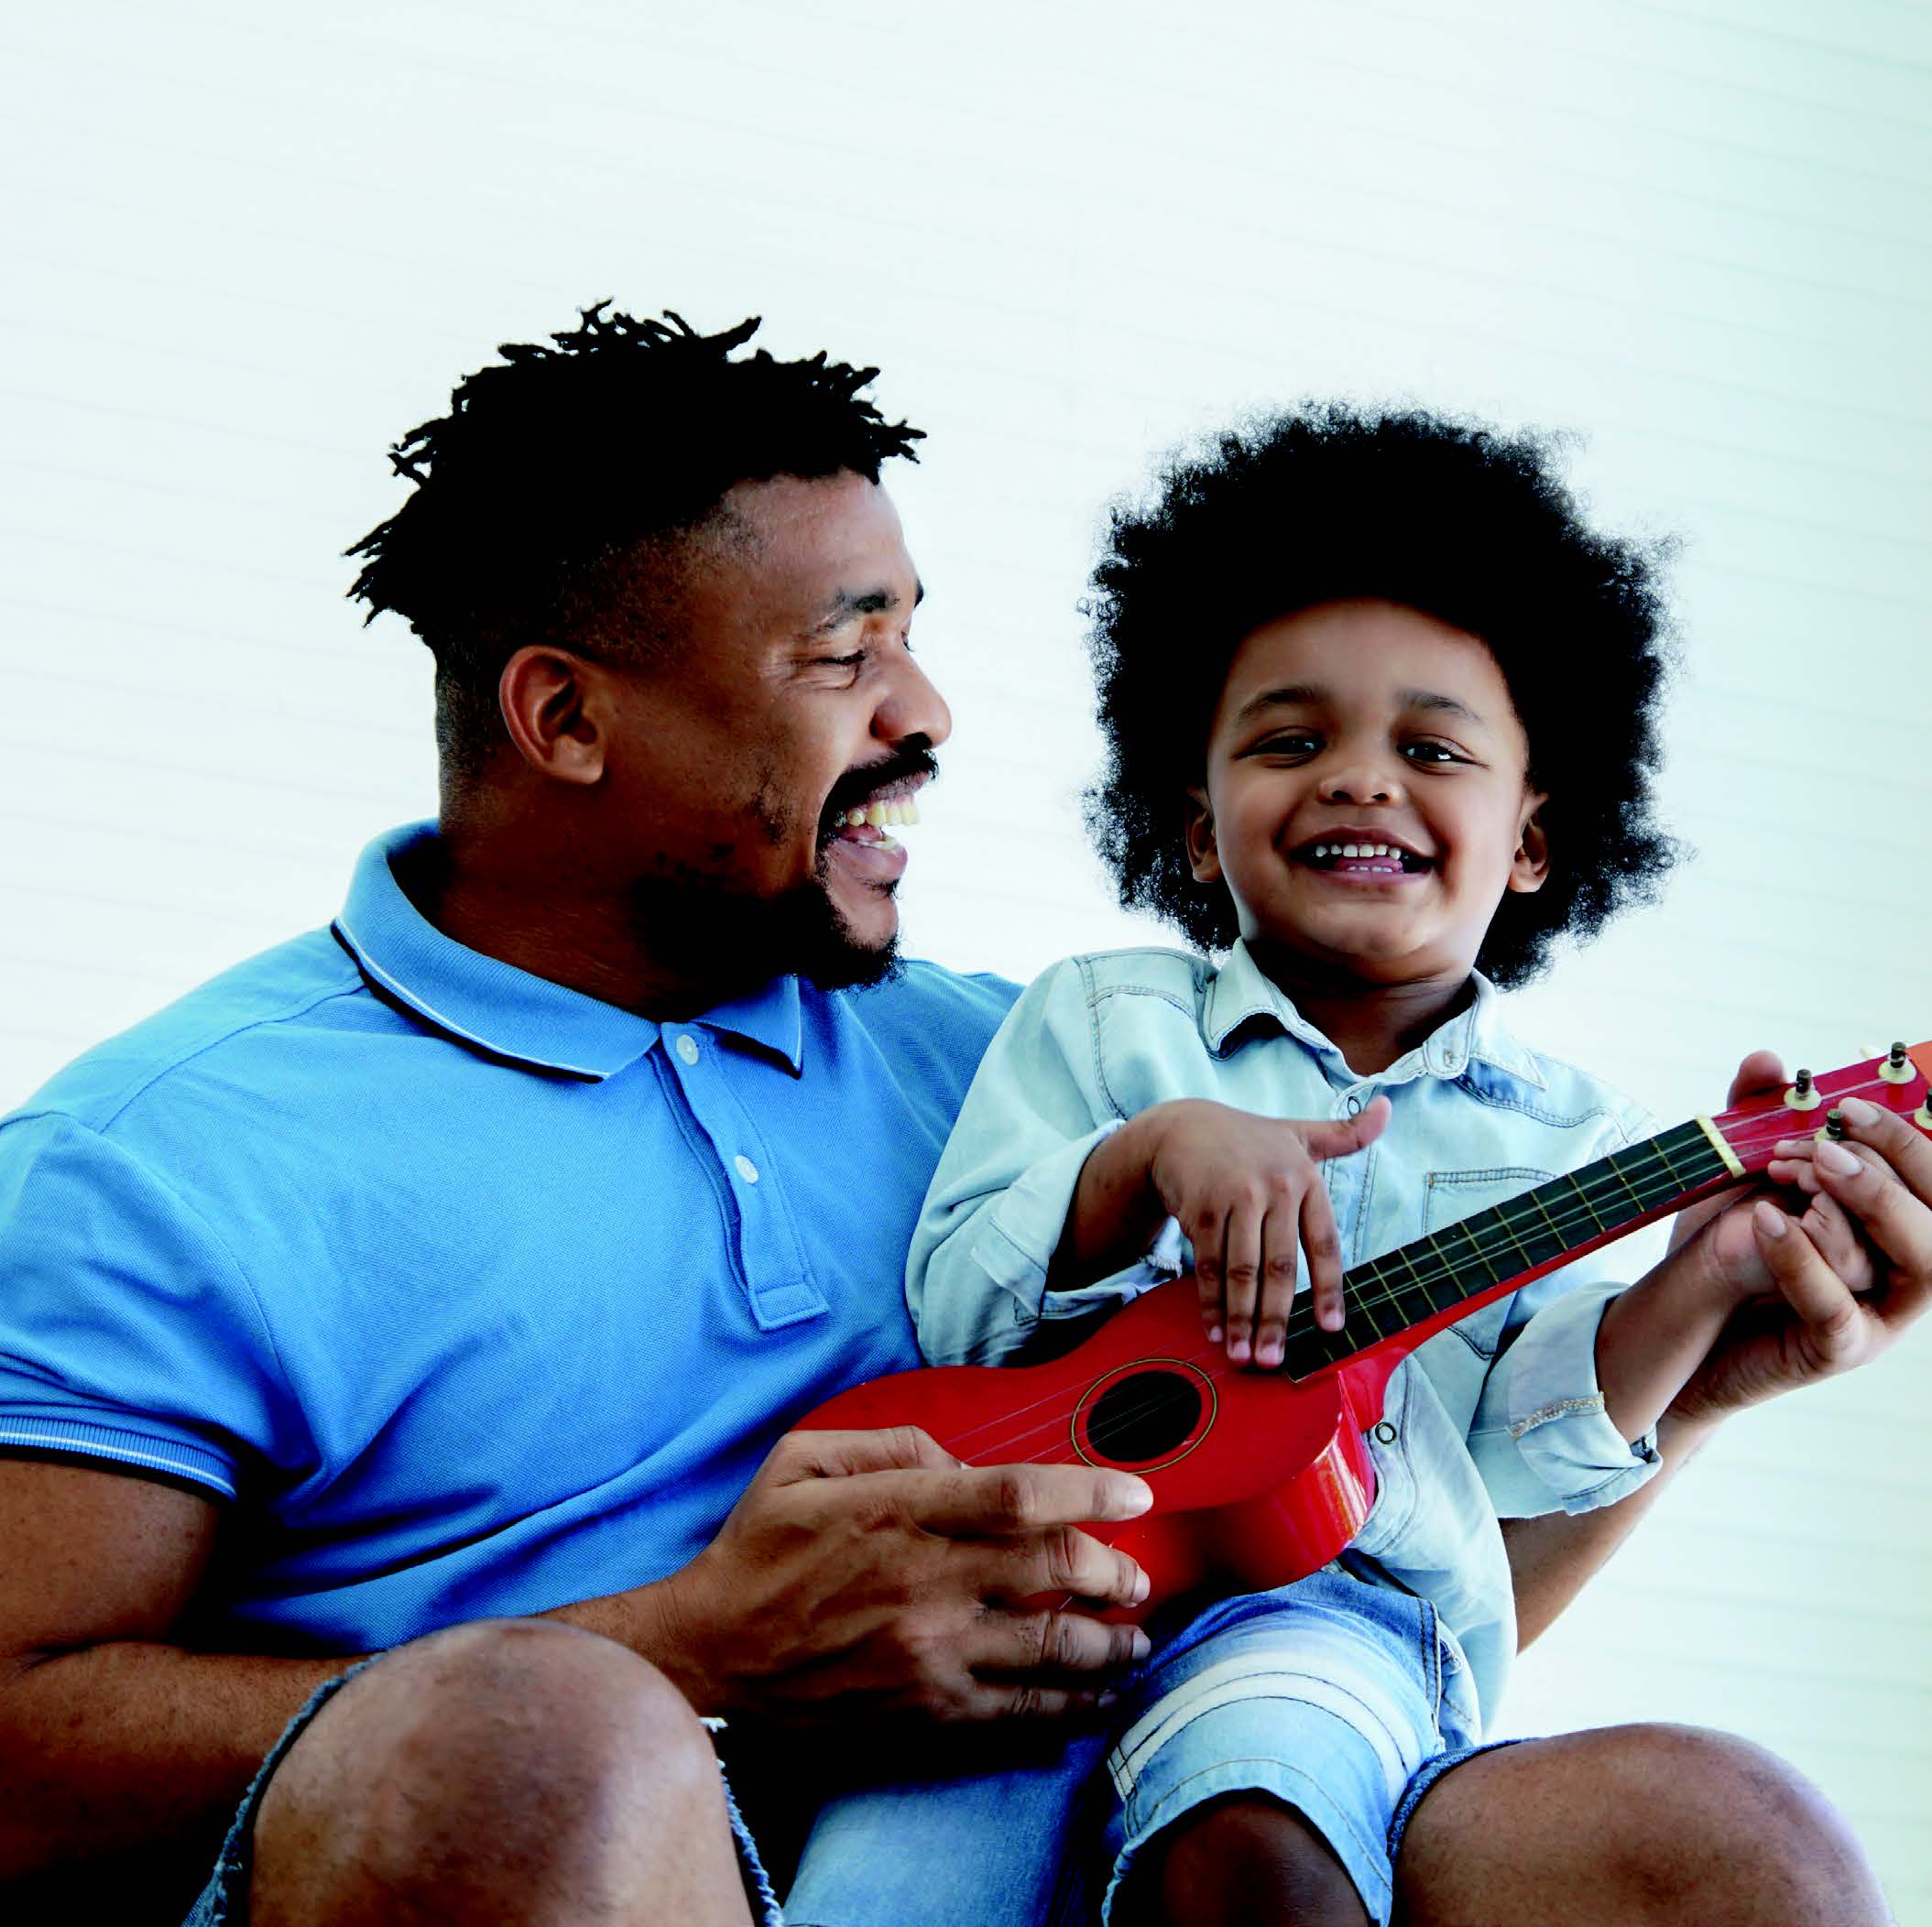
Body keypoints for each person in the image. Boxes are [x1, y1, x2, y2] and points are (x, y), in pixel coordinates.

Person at [0, 310, 1920, 1927]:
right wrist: (685, 1639)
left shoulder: (1033, 1071)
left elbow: (1314, 1547)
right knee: (545, 1738)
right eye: (844, 654)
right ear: (565, 719)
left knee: (1718, 1843)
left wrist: (1697, 1373)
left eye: (914, 630)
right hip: (578, 1849)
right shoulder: (165, 1155)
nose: (926, 709)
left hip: (1088, 1839)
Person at [784, 404, 1916, 1927]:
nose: (1359, 780)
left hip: (1329, 1612)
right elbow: (961, 1309)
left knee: (1254, 1846)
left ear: (1530, 839)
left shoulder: (1559, 1132)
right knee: (871, 1898)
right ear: (1194, 828)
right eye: (1289, 740)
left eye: (1431, 749)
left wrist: (1702, 1282)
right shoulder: (1103, 1020)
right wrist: (1149, 1157)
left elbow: (1526, 1453)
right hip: (1020, 1579)